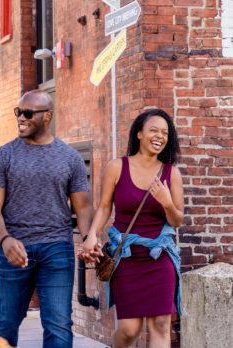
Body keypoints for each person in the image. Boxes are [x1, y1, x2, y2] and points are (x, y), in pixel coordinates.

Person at [0, 90, 93, 348]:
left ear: (48, 116)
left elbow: (84, 207)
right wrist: (4, 239)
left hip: (56, 248)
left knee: (58, 324)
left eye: (28, 113)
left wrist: (89, 238)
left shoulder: (70, 157)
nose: (20, 117)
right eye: (18, 112)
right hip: (13, 248)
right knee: (6, 321)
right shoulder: (4, 155)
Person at [80, 109, 184, 348]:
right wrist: (93, 234)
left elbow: (177, 220)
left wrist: (167, 201)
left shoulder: (171, 173)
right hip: (125, 257)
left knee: (160, 325)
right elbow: (104, 208)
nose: (160, 136)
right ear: (139, 133)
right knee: (128, 330)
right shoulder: (117, 167)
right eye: (153, 130)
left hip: (160, 256)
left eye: (165, 133)